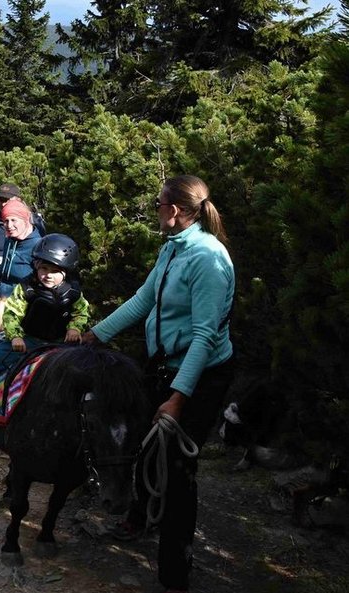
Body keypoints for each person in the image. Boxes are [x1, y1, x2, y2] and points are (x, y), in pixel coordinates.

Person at [81, 175, 235, 593]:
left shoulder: (207, 259)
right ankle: (140, 516)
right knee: (143, 443)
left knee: (179, 470)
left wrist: (178, 399)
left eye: (158, 203)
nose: (155, 209)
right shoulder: (174, 249)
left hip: (199, 376)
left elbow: (204, 336)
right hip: (166, 365)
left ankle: (174, 572)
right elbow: (144, 299)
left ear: (174, 210)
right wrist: (97, 333)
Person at [0, 233, 88, 412]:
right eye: (43, 268)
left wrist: (75, 328)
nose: (47, 275)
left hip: (59, 341)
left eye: (54, 271)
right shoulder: (27, 288)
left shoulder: (73, 293)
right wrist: (15, 337)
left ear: (66, 272)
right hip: (29, 339)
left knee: (81, 366)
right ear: (35, 266)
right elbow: (12, 313)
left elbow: (81, 312)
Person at [0, 199, 42, 299]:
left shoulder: (38, 246)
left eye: (13, 220)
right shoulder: (10, 240)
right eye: (6, 221)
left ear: (25, 219)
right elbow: (4, 269)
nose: (9, 226)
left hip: (19, 305)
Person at [0, 182, 46, 259]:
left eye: (7, 200)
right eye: (0, 200)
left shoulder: (33, 220)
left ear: (18, 200)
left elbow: (42, 247)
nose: (3, 204)